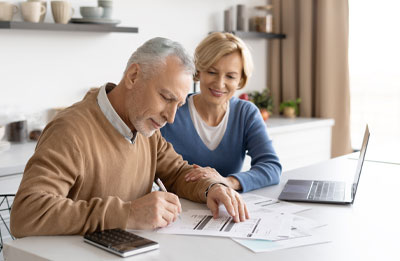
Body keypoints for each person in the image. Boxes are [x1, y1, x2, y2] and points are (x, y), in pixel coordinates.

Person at [10, 37, 249, 238]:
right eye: (166, 98)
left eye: (179, 104)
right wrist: (127, 214)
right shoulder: (70, 130)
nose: (172, 117)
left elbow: (178, 173)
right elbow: (26, 214)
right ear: (134, 76)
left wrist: (211, 187)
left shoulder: (146, 128)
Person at [161, 32, 282, 193]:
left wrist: (228, 182)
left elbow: (271, 167)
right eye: (212, 72)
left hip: (227, 208)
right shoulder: (172, 111)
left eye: (230, 76)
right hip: (178, 208)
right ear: (199, 71)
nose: (219, 84)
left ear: (240, 80)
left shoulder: (246, 114)